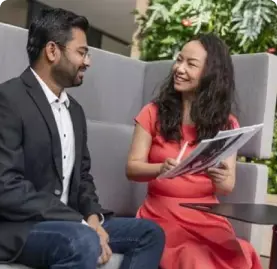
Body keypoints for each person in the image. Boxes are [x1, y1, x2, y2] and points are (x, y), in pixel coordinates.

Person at [0, 7, 165, 269]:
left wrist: (92, 217)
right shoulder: (9, 99)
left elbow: (83, 178)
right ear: (52, 51)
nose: (88, 61)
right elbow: (6, 186)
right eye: (82, 52)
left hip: (72, 222)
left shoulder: (74, 110)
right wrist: (78, 223)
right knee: (82, 240)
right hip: (21, 227)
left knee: (149, 234)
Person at [126, 33, 262, 269]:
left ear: (211, 74)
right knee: (193, 257)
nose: (179, 68)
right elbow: (132, 169)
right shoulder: (152, 112)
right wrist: (161, 168)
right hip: (162, 214)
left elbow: (226, 187)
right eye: (179, 60)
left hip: (206, 215)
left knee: (239, 255)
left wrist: (219, 177)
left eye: (191, 64)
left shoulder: (226, 124)